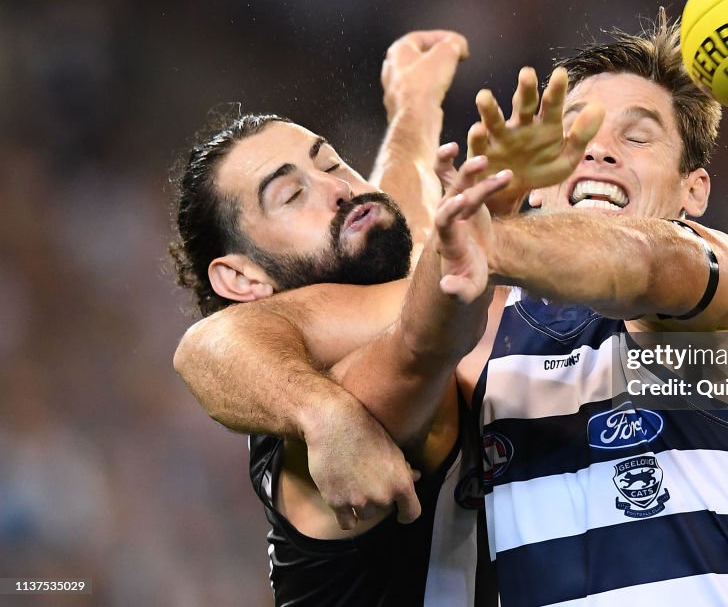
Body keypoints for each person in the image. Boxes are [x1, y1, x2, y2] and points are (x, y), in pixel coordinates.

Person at [174, 10, 728, 606]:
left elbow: (642, 262)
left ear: (693, 190)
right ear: (538, 181)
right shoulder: (485, 337)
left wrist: (440, 152)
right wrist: (323, 413)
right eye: (575, 131)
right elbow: (216, 343)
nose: (599, 149)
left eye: (638, 136)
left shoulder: (724, 299)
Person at [170, 30, 601, 606]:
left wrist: (414, 107)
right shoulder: (349, 387)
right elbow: (206, 348)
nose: (338, 188)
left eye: (332, 163)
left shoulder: (366, 301)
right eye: (291, 194)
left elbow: (408, 227)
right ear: (244, 280)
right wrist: (325, 414)